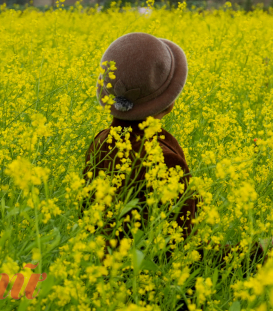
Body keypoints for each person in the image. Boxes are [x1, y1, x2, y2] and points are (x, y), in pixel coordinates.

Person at [84, 32, 197, 241]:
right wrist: (262, 250)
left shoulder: (101, 142)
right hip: (147, 272)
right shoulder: (163, 160)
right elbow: (185, 252)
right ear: (169, 103)